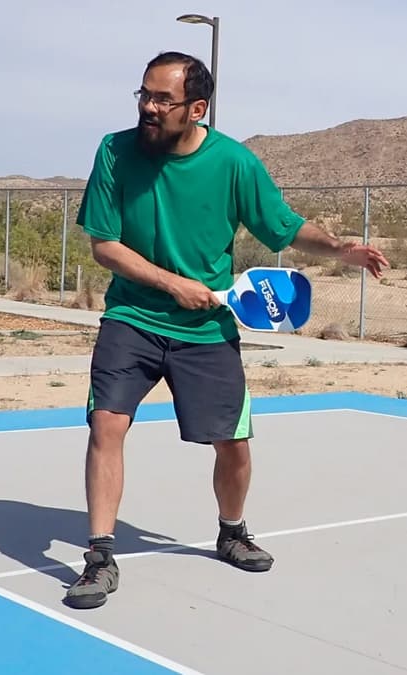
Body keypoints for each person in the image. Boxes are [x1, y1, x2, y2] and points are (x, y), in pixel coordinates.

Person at [64, 51, 388, 610]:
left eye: (162, 99)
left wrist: (339, 248)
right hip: (132, 318)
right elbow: (105, 246)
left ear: (196, 108)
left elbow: (283, 226)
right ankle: (99, 556)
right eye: (144, 94)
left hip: (207, 330)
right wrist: (172, 284)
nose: (148, 107)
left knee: (233, 444)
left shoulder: (234, 163)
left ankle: (232, 531)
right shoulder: (114, 151)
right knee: (106, 424)